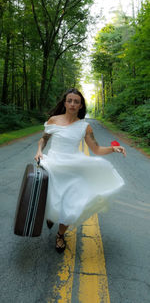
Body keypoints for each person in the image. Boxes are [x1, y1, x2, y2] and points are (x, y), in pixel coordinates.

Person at [35, 88, 126, 253]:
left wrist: (114, 149)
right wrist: (39, 151)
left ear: (80, 105)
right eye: (69, 100)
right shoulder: (54, 120)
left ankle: (60, 235)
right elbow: (44, 139)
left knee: (71, 205)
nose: (72, 104)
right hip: (54, 163)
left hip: (74, 167)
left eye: (76, 101)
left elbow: (96, 150)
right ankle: (50, 216)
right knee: (51, 197)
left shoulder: (85, 127)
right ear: (64, 103)